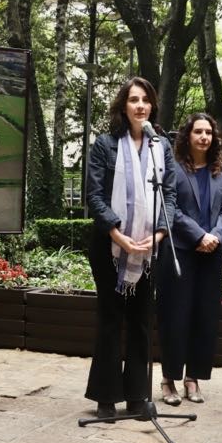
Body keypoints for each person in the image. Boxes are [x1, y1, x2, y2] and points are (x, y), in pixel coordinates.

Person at [84, 77, 176, 420]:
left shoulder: (161, 147)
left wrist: (160, 235)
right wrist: (117, 233)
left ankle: (138, 395)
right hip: (110, 245)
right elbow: (93, 195)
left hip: (150, 249)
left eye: (146, 100)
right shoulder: (106, 145)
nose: (140, 105)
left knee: (140, 320)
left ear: (152, 106)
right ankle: (106, 396)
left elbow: (171, 196)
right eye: (134, 100)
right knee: (111, 319)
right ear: (124, 106)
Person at [156, 113, 222, 405]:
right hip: (181, 251)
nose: (204, 137)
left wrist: (214, 235)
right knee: (176, 315)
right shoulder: (173, 168)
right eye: (198, 131)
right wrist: (199, 235)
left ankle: (193, 378)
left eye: (209, 132)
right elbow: (170, 209)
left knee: (205, 317)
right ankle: (169, 379)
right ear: (187, 135)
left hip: (212, 252)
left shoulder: (221, 170)